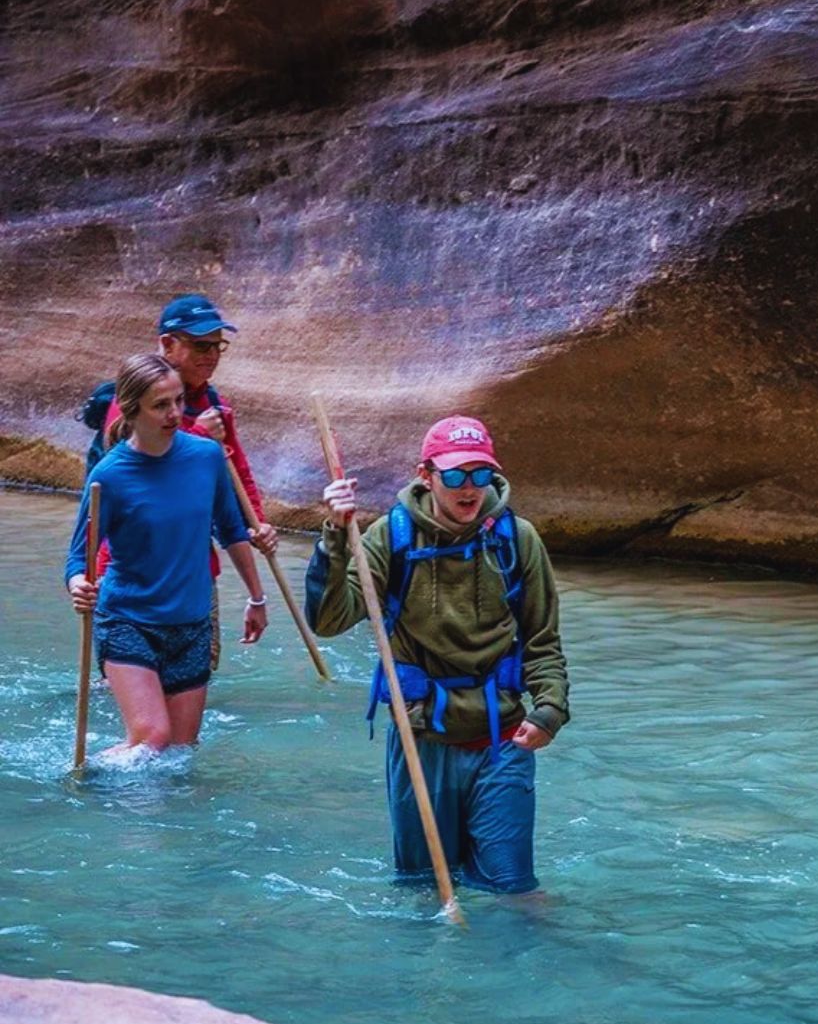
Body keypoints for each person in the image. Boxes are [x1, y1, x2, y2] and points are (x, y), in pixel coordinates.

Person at [306, 416, 571, 894]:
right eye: (453, 475)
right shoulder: (391, 536)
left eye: (479, 473)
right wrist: (335, 537)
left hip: (503, 741)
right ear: (425, 474)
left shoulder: (517, 538)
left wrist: (550, 707)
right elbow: (329, 620)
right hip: (421, 740)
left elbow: (542, 638)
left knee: (514, 890)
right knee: (423, 890)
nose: (467, 487)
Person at [64, 353, 270, 754]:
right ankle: (91, 788)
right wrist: (78, 585)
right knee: (151, 739)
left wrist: (256, 597)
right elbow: (77, 558)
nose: (175, 412)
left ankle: (139, 811)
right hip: (129, 621)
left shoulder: (207, 457)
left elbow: (230, 530)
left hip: (192, 625)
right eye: (160, 405)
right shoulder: (109, 476)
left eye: (178, 401)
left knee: (179, 751)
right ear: (131, 409)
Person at [83, 294, 279, 672]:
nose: (212, 355)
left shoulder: (214, 406)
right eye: (200, 345)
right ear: (168, 345)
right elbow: (134, 464)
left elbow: (236, 474)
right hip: (128, 570)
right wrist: (196, 433)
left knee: (196, 683)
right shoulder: (132, 400)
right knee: (131, 700)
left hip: (194, 568)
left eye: (217, 346)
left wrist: (258, 523)